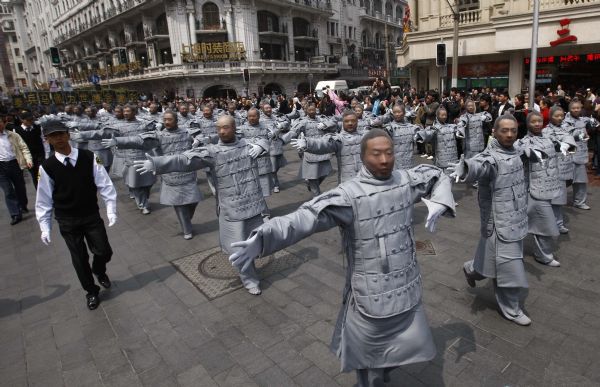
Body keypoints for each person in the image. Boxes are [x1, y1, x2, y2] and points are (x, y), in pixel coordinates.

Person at [229, 129, 456, 387]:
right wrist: (262, 238)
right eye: (376, 154)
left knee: (408, 345)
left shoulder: (405, 180)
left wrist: (439, 200)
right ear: (362, 158)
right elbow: (305, 218)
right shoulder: (348, 195)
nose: (384, 160)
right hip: (370, 294)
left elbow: (436, 174)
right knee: (368, 356)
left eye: (389, 153)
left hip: (406, 285)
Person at [134, 115, 267, 295]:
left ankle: (250, 269)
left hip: (254, 205)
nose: (221, 131)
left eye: (226, 127)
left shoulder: (249, 145)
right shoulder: (212, 152)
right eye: (218, 128)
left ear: (235, 127)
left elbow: (268, 135)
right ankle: (249, 278)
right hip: (232, 209)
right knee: (238, 247)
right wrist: (157, 163)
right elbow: (184, 159)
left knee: (259, 242)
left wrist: (262, 145)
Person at [449, 115, 532, 326]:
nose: (510, 134)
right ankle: (512, 308)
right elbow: (480, 166)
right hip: (498, 223)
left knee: (492, 260)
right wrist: (466, 168)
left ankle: (471, 269)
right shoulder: (490, 156)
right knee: (509, 267)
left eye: (513, 130)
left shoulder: (517, 150)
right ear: (494, 131)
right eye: (504, 130)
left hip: (517, 219)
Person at [35, 115, 117, 310]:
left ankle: (99, 269)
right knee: (79, 259)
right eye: (53, 136)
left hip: (90, 214)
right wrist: (44, 227)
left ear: (68, 134)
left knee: (104, 250)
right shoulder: (47, 167)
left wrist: (111, 209)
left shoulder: (88, 157)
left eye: (61, 134)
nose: (59, 139)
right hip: (67, 219)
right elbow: (43, 200)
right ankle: (91, 291)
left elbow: (104, 184)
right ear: (47, 140)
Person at [101, 110, 201, 239]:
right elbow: (138, 140)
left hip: (188, 174)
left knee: (194, 201)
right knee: (179, 204)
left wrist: (199, 140)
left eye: (170, 119)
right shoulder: (159, 135)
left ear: (176, 120)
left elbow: (202, 138)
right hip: (171, 176)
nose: (166, 122)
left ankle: (186, 220)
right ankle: (187, 229)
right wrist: (119, 141)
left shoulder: (187, 133)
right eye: (164, 119)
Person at [517, 112, 571, 267]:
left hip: (549, 186)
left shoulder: (549, 138)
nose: (537, 124)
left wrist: (568, 142)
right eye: (533, 121)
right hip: (534, 189)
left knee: (537, 223)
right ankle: (541, 256)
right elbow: (516, 154)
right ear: (527, 124)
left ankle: (539, 254)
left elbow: (568, 148)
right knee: (542, 223)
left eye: (539, 121)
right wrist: (523, 153)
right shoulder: (524, 141)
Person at [291, 110, 364, 184]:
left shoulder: (365, 136)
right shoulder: (339, 139)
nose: (350, 123)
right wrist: (308, 143)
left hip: (364, 179)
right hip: (347, 181)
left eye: (353, 121)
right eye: (347, 121)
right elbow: (323, 144)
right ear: (342, 123)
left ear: (357, 122)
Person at [543, 106, 577, 234]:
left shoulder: (567, 129)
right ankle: (551, 223)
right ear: (550, 116)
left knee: (559, 198)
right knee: (551, 199)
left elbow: (574, 142)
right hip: (551, 169)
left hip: (564, 168)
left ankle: (558, 223)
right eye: (556, 115)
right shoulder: (545, 131)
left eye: (561, 115)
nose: (559, 118)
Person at [564, 99, 599, 210]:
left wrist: (592, 120)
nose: (576, 110)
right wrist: (582, 135)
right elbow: (569, 136)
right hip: (569, 153)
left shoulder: (583, 119)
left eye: (578, 108)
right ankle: (555, 199)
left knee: (581, 180)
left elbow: (596, 124)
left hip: (581, 154)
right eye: (574, 108)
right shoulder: (565, 121)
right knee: (565, 180)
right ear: (569, 109)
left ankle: (579, 201)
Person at [0, 113, 32, 224]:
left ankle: (23, 205)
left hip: (14, 164)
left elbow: (24, 147)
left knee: (20, 188)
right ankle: (15, 214)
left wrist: (28, 160)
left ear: (4, 123)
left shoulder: (13, 135)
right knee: (8, 191)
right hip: (1, 168)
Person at [14, 111, 46, 189]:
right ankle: (39, 189)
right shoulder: (17, 130)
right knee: (34, 174)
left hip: (40, 155)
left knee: (41, 172)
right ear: (22, 120)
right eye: (28, 120)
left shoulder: (38, 127)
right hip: (28, 157)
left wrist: (46, 154)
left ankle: (44, 187)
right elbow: (17, 146)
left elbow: (44, 141)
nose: (30, 122)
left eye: (32, 119)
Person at [384, 104, 421, 170]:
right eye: (394, 112)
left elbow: (421, 137)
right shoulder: (390, 128)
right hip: (395, 164)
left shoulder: (412, 127)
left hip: (409, 163)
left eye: (399, 112)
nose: (397, 114)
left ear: (404, 113)